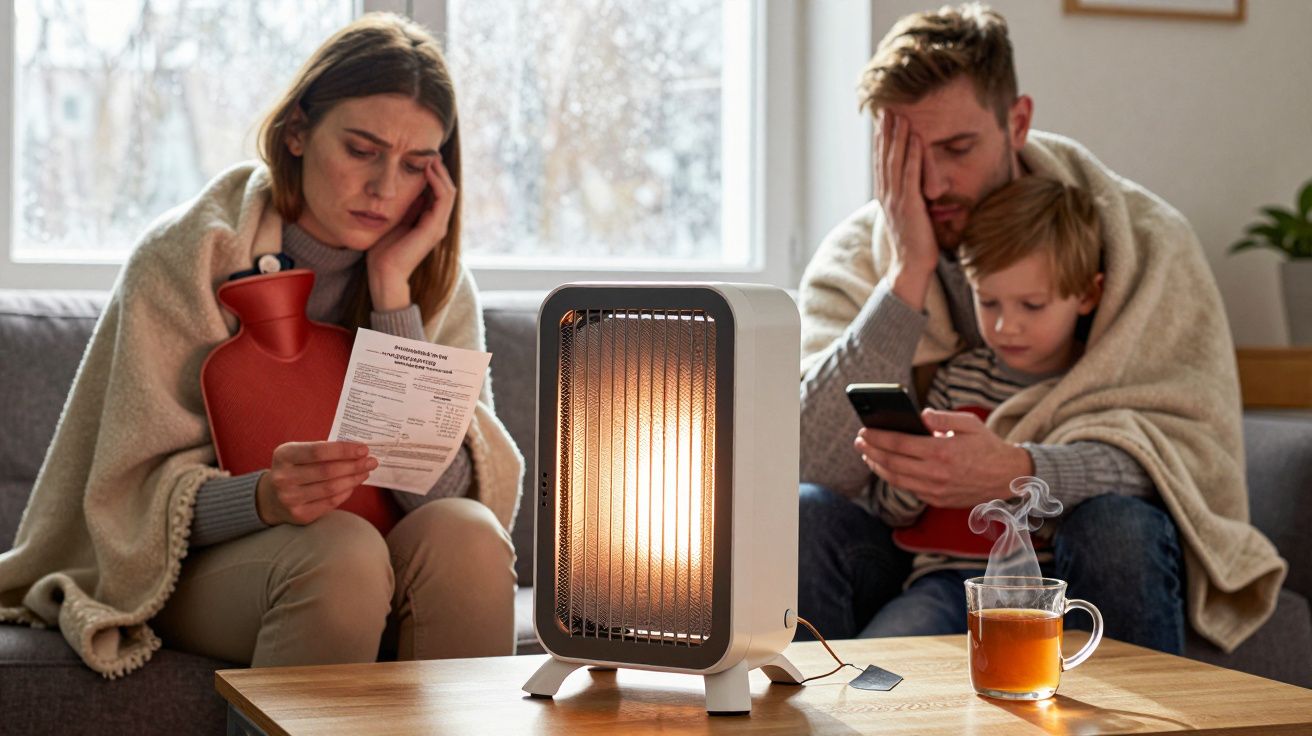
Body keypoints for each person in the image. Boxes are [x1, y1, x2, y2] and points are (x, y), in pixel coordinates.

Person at [0, 14, 524, 677]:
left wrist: (393, 298)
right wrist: (263, 500)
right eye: (362, 150)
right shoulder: (188, 255)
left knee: (469, 538)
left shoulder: (435, 283)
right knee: (343, 555)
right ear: (297, 131)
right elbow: (127, 499)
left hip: (381, 543)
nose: (386, 189)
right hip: (215, 565)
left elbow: (447, 497)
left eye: (416, 165)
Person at [796, 2, 1285, 655]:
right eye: (905, 154)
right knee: (803, 512)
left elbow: (1184, 461)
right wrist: (907, 275)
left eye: (958, 148)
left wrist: (1019, 471)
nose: (933, 183)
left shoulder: (1142, 241)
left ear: (1016, 122)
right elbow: (812, 463)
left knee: (1118, 528)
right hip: (925, 565)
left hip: (1081, 544)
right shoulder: (859, 256)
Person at [871, 177, 1104, 587]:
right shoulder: (959, 380)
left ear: (1087, 295)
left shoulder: (1090, 386)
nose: (1004, 325)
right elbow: (892, 511)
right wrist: (911, 469)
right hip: (942, 582)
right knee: (888, 647)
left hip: (1042, 590)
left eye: (1032, 305)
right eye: (988, 301)